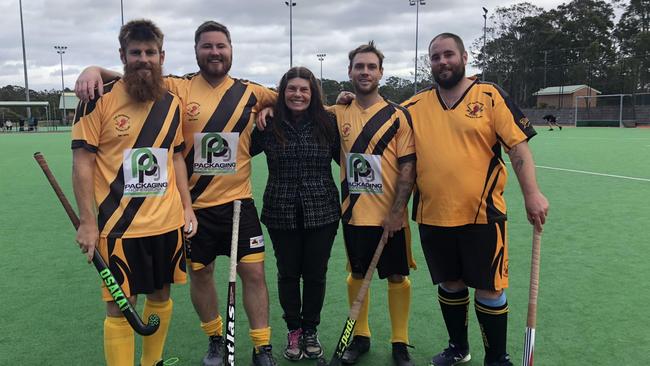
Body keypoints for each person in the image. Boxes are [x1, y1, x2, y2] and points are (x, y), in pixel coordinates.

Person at [75, 21, 279, 366]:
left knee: (250, 275)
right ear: (195, 51)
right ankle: (216, 339)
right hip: (174, 211)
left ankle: (262, 347)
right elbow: (131, 75)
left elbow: (294, 97)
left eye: (221, 46)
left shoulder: (249, 92)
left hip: (226, 207)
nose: (215, 52)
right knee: (190, 277)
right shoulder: (176, 89)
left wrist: (272, 108)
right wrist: (92, 69)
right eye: (207, 46)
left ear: (231, 49)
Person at [402, 33, 549, 366]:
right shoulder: (414, 105)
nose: (442, 61)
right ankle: (458, 348)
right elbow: (380, 120)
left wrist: (532, 193)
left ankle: (496, 358)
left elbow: (518, 146)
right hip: (432, 214)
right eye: (436, 56)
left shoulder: (490, 95)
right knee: (451, 284)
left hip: (483, 215)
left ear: (464, 57)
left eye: (448, 54)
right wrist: (346, 101)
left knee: (489, 288)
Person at [71, 19, 197, 366]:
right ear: (123, 55)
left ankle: (151, 362)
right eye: (136, 52)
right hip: (118, 225)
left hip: (166, 222)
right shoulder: (97, 100)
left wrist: (187, 208)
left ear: (162, 55)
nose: (144, 59)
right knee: (118, 308)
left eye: (150, 52)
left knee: (161, 296)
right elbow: (82, 163)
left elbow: (176, 157)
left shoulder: (172, 102)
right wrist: (87, 222)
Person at [330, 42, 417, 366]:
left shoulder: (398, 115)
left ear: (381, 72)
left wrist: (397, 212)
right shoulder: (339, 112)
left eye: (371, 67)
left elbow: (408, 165)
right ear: (350, 72)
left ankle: (400, 342)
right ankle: (361, 337)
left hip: (390, 217)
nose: (365, 72)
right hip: (353, 214)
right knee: (356, 274)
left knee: (397, 277)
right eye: (359, 67)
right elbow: (299, 107)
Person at [250, 66, 340, 361]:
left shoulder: (328, 122)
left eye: (304, 89)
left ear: (313, 93)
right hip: (281, 210)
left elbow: (350, 155)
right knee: (288, 274)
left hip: (322, 211)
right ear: (282, 92)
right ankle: (294, 331)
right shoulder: (269, 123)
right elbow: (239, 152)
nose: (297, 94)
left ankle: (310, 329)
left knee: (315, 274)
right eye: (292, 89)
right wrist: (261, 109)